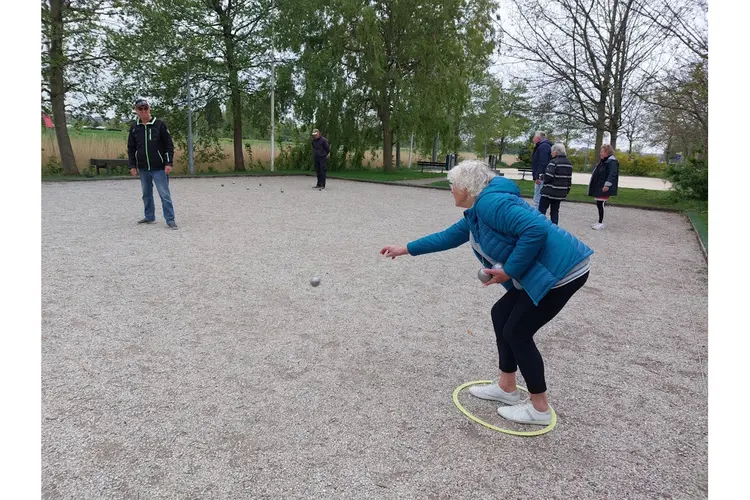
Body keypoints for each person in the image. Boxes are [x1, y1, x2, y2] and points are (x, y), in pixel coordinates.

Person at [380, 160, 593, 426]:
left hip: (562, 272)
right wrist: (405, 248)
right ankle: (507, 388)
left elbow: (535, 229)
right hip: (547, 270)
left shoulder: (491, 203)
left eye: (453, 185)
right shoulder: (479, 211)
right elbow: (447, 237)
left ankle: (540, 409)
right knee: (501, 314)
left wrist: (510, 270)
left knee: (517, 331)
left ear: (468, 188)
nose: (451, 190)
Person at [128, 98, 177, 229]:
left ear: (149, 108)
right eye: (140, 109)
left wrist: (168, 163)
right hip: (143, 167)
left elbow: (169, 146)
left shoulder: (160, 125)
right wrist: (132, 165)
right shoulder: (134, 128)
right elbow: (131, 148)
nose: (143, 111)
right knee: (146, 194)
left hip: (159, 167)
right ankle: (149, 216)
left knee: (164, 194)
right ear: (136, 111)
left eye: (145, 108)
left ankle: (170, 219)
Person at [538, 143, 573, 225]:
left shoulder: (553, 162)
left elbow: (549, 176)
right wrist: (567, 190)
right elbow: (569, 179)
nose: (551, 153)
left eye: (552, 152)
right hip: (560, 192)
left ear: (556, 152)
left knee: (541, 210)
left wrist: (542, 176)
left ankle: (538, 225)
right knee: (555, 211)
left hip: (549, 191)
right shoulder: (569, 164)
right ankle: (554, 228)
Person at [587, 144, 619, 230]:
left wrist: (607, 185)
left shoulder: (612, 162)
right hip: (599, 186)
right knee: (599, 204)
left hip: (604, 186)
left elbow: (612, 174)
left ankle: (601, 222)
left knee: (601, 204)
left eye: (602, 151)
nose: (600, 153)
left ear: (607, 152)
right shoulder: (604, 161)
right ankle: (599, 221)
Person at [531, 131, 552, 207]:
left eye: (534, 137)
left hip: (541, 176)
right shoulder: (543, 146)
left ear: (538, 138)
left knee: (537, 198)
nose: (533, 139)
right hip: (541, 175)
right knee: (538, 197)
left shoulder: (543, 147)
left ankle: (535, 215)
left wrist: (538, 177)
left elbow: (543, 163)